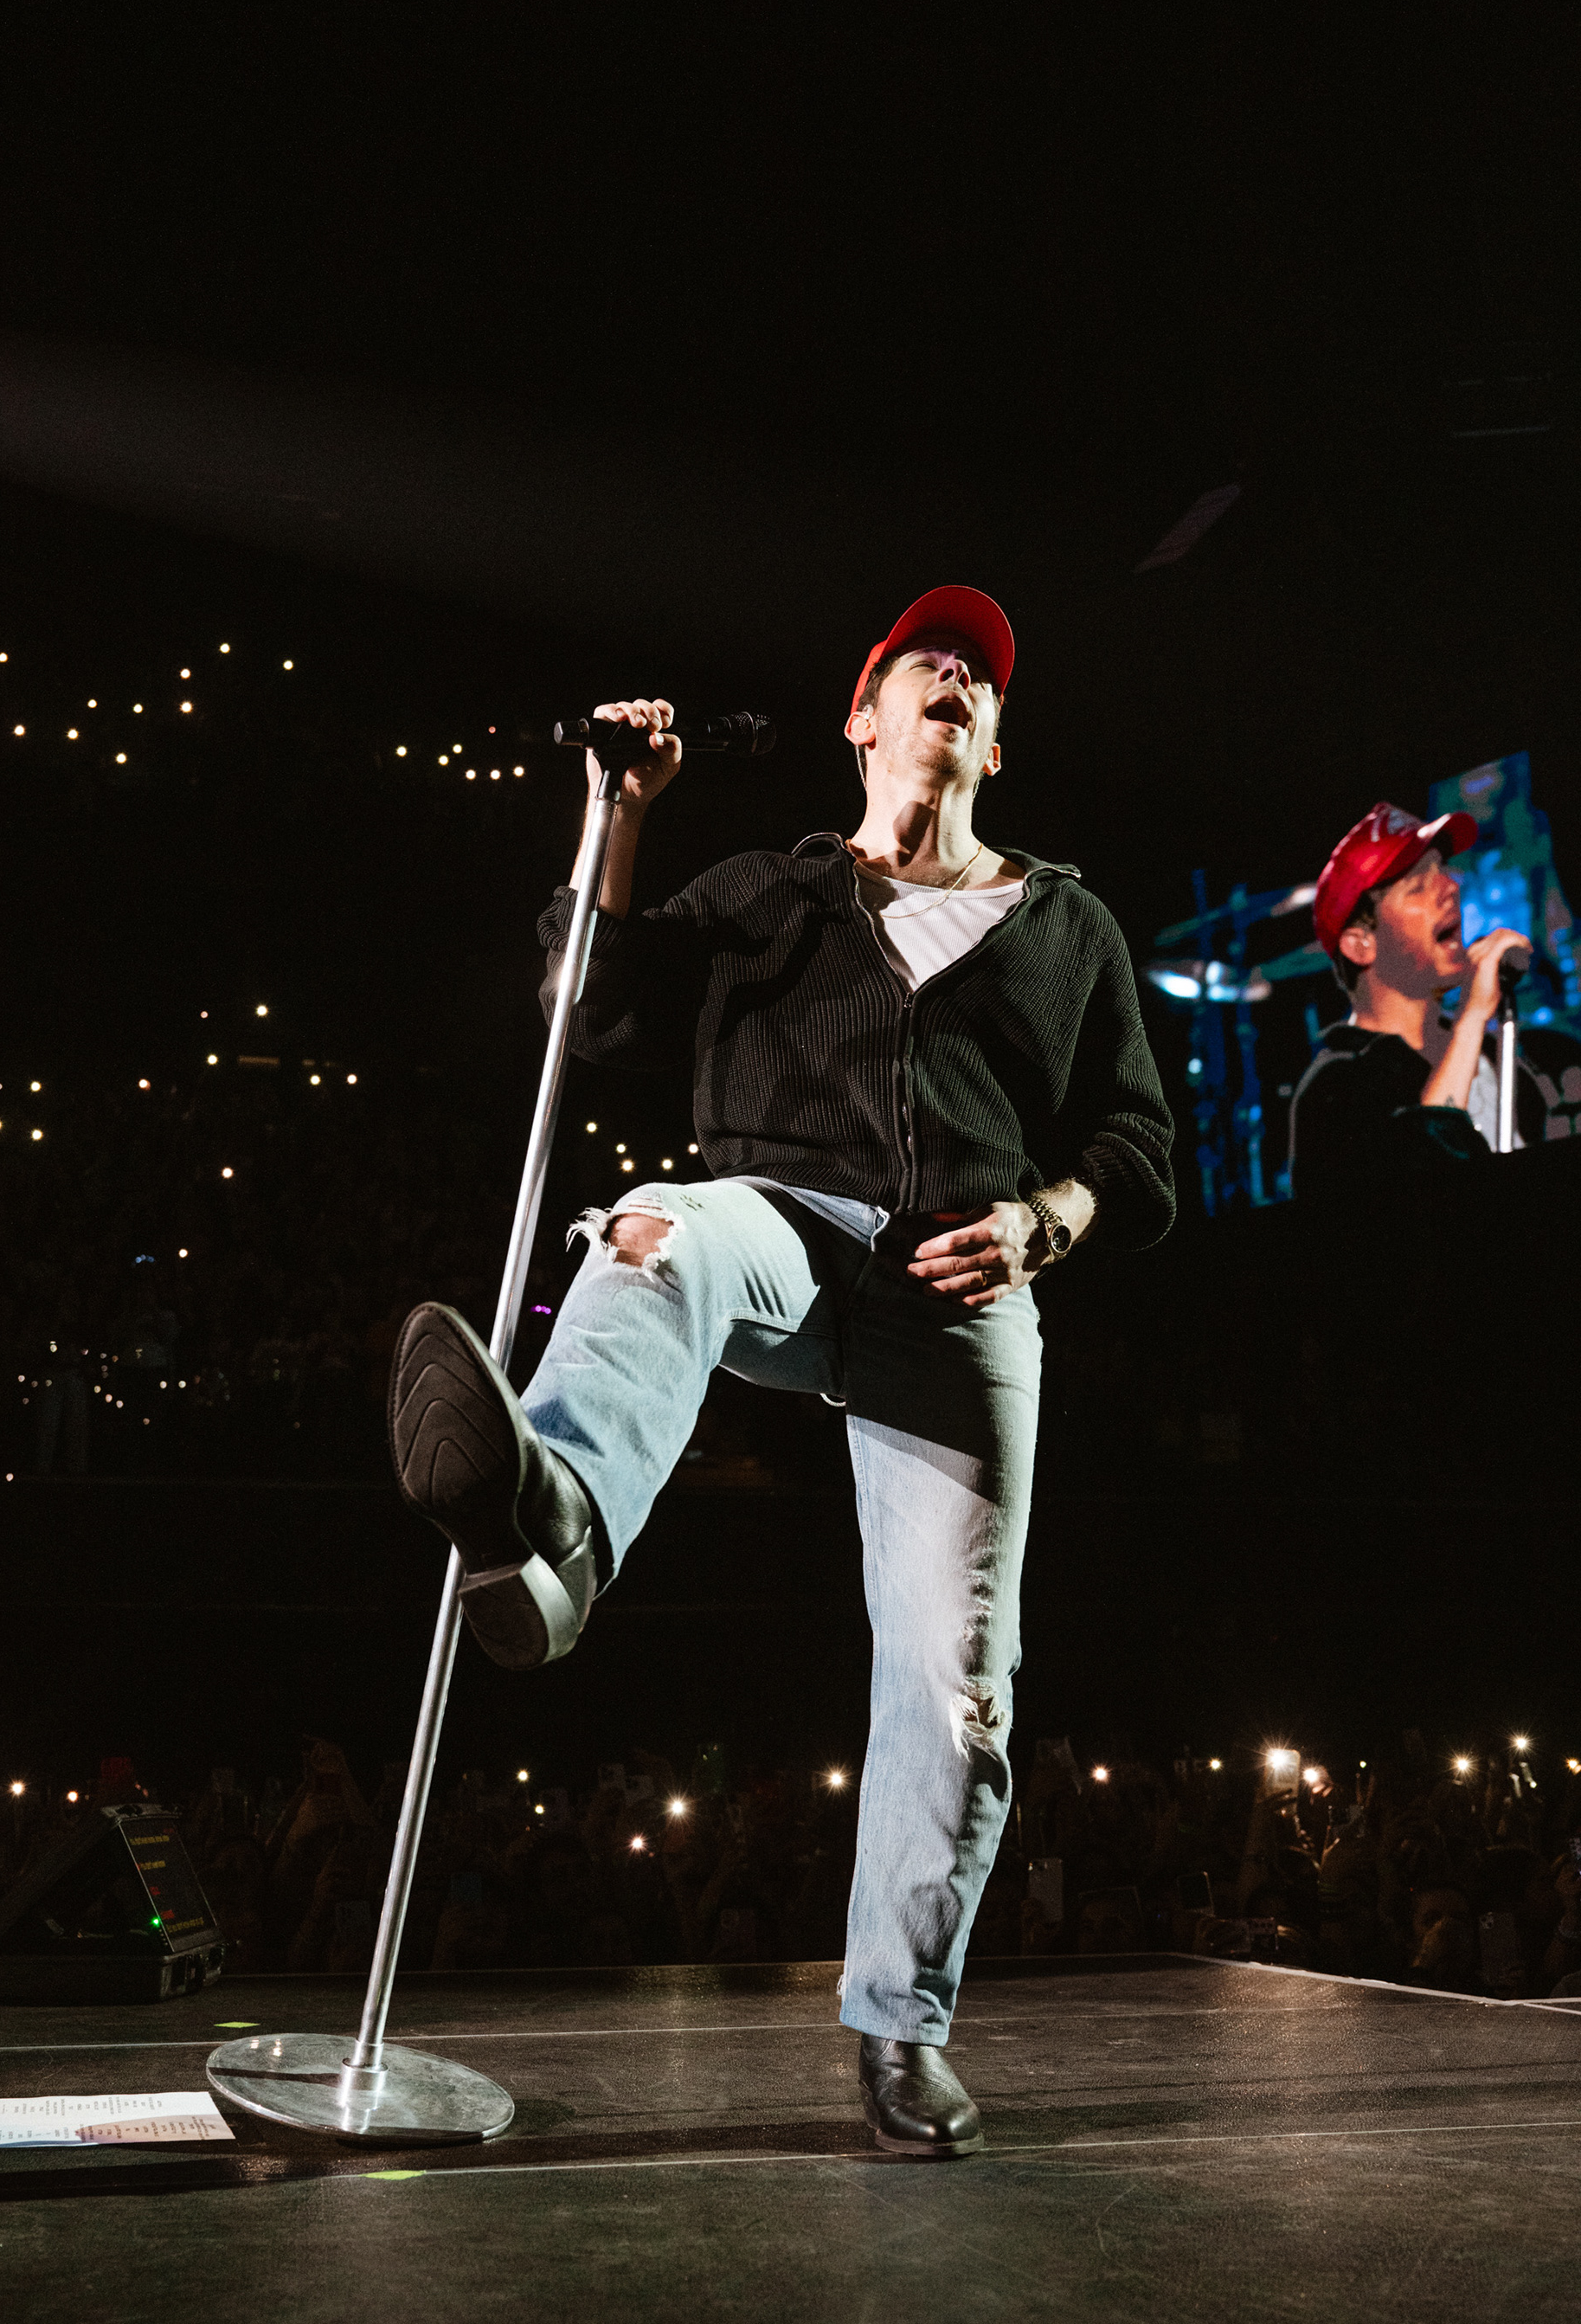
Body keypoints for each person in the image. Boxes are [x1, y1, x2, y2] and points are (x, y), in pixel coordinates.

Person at [389, 584, 1174, 2155]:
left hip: (956, 1287)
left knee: (959, 1685)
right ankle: (555, 1527)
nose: (955, 678)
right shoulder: (767, 892)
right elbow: (589, 1010)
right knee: (658, 1227)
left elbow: (1138, 1144)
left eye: (979, 679)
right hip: (784, 1230)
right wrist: (621, 813)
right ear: (862, 720)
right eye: (923, 663)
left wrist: (1043, 1221)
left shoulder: (1065, 924)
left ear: (994, 748)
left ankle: (900, 2026)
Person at [1289, 802, 1537, 1199]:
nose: (1451, 887)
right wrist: (1471, 1018)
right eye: (1418, 886)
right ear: (1361, 944)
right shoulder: (1336, 1090)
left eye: (1444, 872)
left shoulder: (1496, 1053)